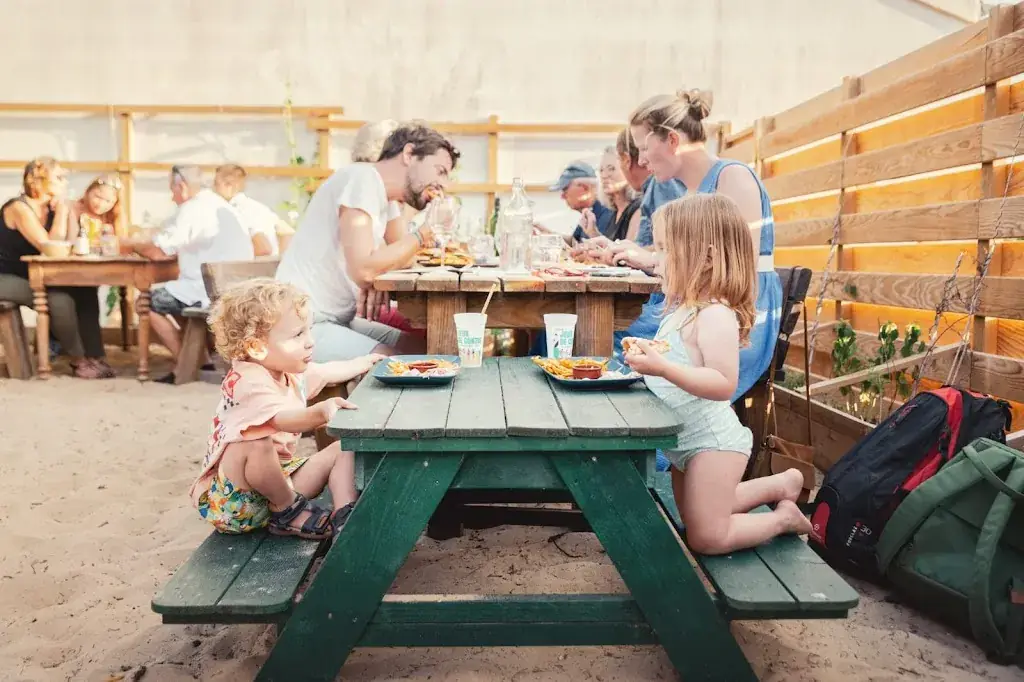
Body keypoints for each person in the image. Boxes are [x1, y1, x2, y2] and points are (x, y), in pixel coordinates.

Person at [623, 194, 811, 555]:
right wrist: (647, 360)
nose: (656, 259)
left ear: (706, 258)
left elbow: (723, 384)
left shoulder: (714, 315)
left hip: (712, 444)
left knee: (706, 537)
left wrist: (661, 367)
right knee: (699, 515)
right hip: (683, 443)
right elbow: (676, 362)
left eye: (664, 249)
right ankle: (782, 484)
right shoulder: (684, 310)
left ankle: (783, 519)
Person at [606, 90, 782, 402]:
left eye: (644, 147)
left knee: (612, 346)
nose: (641, 160)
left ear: (672, 140)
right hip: (696, 309)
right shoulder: (691, 192)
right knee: (607, 338)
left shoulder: (733, 178)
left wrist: (651, 262)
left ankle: (641, 443)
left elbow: (735, 271)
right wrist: (649, 260)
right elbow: (693, 262)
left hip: (734, 321)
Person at [190, 278, 384, 539]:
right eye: (297, 335)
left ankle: (345, 516)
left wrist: (366, 361)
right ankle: (288, 512)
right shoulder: (247, 382)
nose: (310, 342)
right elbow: (282, 420)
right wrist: (321, 412)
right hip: (234, 502)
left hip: (280, 485)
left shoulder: (288, 373)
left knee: (345, 446)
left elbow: (327, 372)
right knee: (255, 441)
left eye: (308, 331)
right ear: (256, 347)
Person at [276, 123, 458, 361]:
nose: (444, 184)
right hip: (302, 326)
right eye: (440, 170)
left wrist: (376, 276)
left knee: (424, 348)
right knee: (399, 364)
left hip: (336, 321)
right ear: (409, 154)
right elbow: (363, 269)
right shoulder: (361, 179)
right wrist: (424, 232)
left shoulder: (387, 198)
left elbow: (406, 258)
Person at [121, 164, 254, 383]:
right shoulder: (218, 204)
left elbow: (159, 251)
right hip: (233, 286)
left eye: (171, 190)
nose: (172, 197)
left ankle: (185, 365)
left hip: (211, 291)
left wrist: (129, 244)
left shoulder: (193, 208)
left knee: (147, 302)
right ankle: (201, 361)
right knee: (176, 301)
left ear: (181, 186)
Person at [0, 157, 112, 378]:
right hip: (5, 276)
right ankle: (79, 362)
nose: (65, 182)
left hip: (33, 276)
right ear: (38, 180)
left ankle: (95, 357)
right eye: (59, 177)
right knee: (59, 299)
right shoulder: (18, 208)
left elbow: (68, 244)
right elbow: (49, 247)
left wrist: (64, 212)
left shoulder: (50, 209)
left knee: (86, 289)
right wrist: (62, 211)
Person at [212, 164, 295, 256]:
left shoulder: (238, 211)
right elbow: (287, 233)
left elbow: (263, 248)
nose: (213, 189)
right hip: (270, 266)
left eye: (216, 184)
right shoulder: (259, 207)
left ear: (228, 185)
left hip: (252, 267)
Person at [543, 162, 615, 244]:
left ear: (585, 187)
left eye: (565, 189)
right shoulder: (590, 211)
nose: (562, 196)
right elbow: (575, 242)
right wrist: (546, 233)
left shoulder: (607, 214)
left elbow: (596, 249)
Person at [597, 144, 641, 242]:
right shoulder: (614, 212)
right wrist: (592, 232)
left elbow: (630, 253)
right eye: (601, 170)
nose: (604, 175)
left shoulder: (638, 209)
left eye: (611, 169)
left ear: (627, 168)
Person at [68, 174, 125, 242]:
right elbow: (71, 240)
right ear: (88, 192)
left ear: (115, 203)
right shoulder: (75, 210)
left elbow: (120, 242)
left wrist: (110, 237)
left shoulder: (112, 218)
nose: (100, 204)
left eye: (108, 201)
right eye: (98, 197)